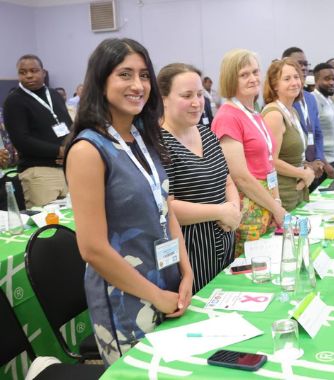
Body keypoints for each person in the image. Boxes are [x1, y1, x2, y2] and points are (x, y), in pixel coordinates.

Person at [65, 38, 193, 365]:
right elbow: (92, 249)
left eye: (144, 75)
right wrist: (156, 297)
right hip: (125, 299)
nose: (138, 85)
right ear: (101, 80)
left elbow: (166, 209)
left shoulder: (142, 137)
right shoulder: (88, 150)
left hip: (168, 284)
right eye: (125, 74)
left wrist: (187, 270)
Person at [158, 63, 240, 292]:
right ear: (164, 98)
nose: (196, 102)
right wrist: (219, 211)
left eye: (199, 94)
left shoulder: (207, 133)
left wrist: (233, 208)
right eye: (187, 96)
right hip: (190, 252)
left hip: (224, 242)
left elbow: (227, 180)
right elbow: (167, 207)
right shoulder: (160, 144)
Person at [211, 49, 286, 255]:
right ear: (230, 79)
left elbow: (268, 162)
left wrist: (276, 201)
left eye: (255, 72)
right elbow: (241, 177)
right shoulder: (228, 116)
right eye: (244, 75)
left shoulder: (253, 113)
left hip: (265, 201)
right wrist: (276, 207)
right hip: (248, 207)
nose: (253, 78)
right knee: (254, 270)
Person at [3, 54, 71, 207]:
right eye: (23, 72)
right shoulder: (14, 101)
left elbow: (68, 126)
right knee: (47, 225)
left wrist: (70, 150)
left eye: (34, 70)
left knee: (70, 222)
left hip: (67, 169)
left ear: (43, 72)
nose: (28, 76)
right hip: (38, 172)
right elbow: (22, 140)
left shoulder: (54, 94)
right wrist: (59, 151)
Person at [261, 58, 315, 211]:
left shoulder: (293, 111)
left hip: (297, 190)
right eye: (287, 79)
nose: (294, 82)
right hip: (283, 195)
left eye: (296, 77)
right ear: (274, 85)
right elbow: (271, 161)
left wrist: (307, 171)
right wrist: (303, 174)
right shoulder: (274, 115)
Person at [281, 47, 327, 191]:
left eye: (306, 63)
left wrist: (318, 160)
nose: (304, 67)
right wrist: (306, 165)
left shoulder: (310, 98)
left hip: (315, 169)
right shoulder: (282, 101)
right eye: (299, 63)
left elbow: (318, 133)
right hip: (293, 174)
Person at [312, 63, 334, 172]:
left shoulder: (329, 101)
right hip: (322, 165)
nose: (332, 83)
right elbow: (312, 136)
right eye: (327, 79)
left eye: (333, 79)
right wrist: (325, 164)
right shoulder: (313, 100)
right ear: (316, 81)